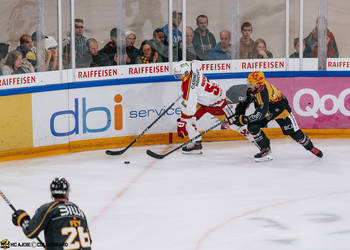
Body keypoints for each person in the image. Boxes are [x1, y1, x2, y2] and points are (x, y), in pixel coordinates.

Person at [233, 70, 323, 161]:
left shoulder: (265, 93)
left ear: (258, 84)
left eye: (251, 83)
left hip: (281, 110)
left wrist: (244, 119)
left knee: (294, 133)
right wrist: (238, 115)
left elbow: (260, 114)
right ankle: (265, 149)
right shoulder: (253, 89)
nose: (248, 85)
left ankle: (310, 147)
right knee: (253, 127)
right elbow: (245, 103)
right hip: (268, 110)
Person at [174, 60, 254, 154]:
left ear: (186, 72)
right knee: (188, 120)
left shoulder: (189, 88)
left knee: (234, 124)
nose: (179, 77)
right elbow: (197, 62)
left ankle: (254, 137)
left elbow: (190, 110)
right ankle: (196, 143)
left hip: (216, 105)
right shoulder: (193, 68)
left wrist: (182, 122)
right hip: (205, 100)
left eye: (180, 74)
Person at [11, 177, 92, 250]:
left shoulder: (48, 209)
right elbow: (88, 241)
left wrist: (22, 220)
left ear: (52, 192)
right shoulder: (79, 211)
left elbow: (30, 232)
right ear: (67, 192)